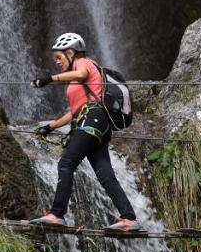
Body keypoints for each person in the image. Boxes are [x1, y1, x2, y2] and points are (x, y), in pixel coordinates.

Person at [28, 32, 139, 231]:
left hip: (93, 120)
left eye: (59, 58)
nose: (58, 63)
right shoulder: (78, 83)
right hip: (98, 125)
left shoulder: (84, 62)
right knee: (105, 175)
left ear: (71, 53)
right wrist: (50, 126)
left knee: (66, 163)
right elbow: (74, 111)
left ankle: (56, 214)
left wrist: (49, 79)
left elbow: (81, 74)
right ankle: (129, 219)